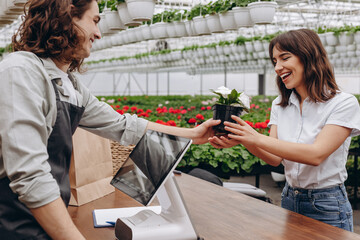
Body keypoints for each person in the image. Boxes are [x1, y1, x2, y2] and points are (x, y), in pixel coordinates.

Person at [0, 0, 219, 239]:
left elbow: (123, 125)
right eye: (94, 21)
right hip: (14, 223)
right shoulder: (21, 71)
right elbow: (30, 174)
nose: (99, 33)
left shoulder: (70, 85)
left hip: (46, 218)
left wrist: (194, 135)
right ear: (66, 17)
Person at [209, 28, 360, 231]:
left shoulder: (343, 103)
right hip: (289, 197)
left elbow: (316, 155)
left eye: (285, 58)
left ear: (308, 56)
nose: (278, 68)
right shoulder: (280, 103)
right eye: (274, 62)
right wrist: (245, 139)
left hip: (327, 204)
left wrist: (256, 137)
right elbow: (274, 158)